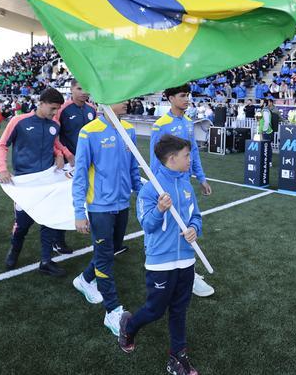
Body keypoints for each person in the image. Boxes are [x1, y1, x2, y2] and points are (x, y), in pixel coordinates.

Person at [118, 135, 203, 374]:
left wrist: (194, 229)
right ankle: (129, 326)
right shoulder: (150, 190)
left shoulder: (186, 185)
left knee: (179, 310)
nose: (190, 159)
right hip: (161, 263)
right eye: (187, 155)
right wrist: (159, 209)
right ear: (172, 158)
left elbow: (196, 216)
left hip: (186, 259)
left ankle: (177, 357)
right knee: (155, 310)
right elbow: (147, 225)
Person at [72, 101, 142, 336]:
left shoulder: (129, 129)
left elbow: (133, 167)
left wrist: (141, 192)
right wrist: (79, 212)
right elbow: (80, 173)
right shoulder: (89, 132)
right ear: (106, 101)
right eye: (121, 98)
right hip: (100, 206)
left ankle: (84, 279)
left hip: (123, 203)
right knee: (104, 258)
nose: (127, 101)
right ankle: (112, 311)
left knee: (111, 250)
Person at [149, 84, 215, 297]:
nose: (187, 99)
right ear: (170, 98)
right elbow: (154, 160)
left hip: (185, 186)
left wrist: (201, 178)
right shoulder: (160, 125)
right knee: (171, 229)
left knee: (188, 226)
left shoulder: (188, 122)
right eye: (182, 95)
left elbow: (193, 153)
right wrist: (157, 189)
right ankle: (178, 273)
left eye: (188, 95)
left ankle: (188, 273)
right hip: (167, 188)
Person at [0, 88, 70, 276]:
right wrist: (2, 168)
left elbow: (54, 143)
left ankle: (46, 261)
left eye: (57, 109)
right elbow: (2, 145)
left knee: (48, 221)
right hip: (25, 184)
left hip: (47, 181)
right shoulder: (19, 121)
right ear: (41, 103)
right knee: (22, 223)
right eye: (53, 108)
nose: (55, 113)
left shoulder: (54, 124)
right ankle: (14, 250)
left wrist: (60, 154)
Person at [55, 79, 97, 255]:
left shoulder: (92, 109)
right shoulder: (63, 109)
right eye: (79, 88)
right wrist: (63, 154)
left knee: (91, 194)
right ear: (71, 89)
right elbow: (54, 135)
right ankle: (57, 240)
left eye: (86, 88)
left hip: (89, 162)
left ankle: (98, 234)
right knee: (64, 200)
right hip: (69, 164)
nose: (83, 92)